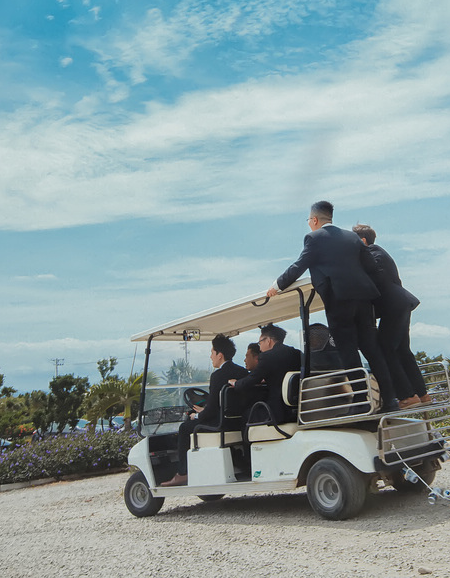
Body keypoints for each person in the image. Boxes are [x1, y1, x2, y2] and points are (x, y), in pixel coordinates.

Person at [267, 200, 398, 411]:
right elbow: (372, 268)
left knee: (348, 351)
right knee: (372, 349)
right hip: (364, 299)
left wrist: (277, 285)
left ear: (315, 220)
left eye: (309, 220)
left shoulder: (313, 238)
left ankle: (360, 401)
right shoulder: (351, 237)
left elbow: (300, 265)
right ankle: (391, 399)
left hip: (339, 300)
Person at [352, 224, 430, 408]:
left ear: (362, 241)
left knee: (385, 348)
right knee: (402, 350)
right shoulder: (378, 252)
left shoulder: (373, 253)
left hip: (393, 306)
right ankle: (422, 394)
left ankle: (407, 395)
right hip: (399, 305)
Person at [161, 334, 247, 487]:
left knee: (185, 428)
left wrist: (197, 415)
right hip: (237, 422)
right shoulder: (242, 372)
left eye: (212, 352)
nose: (210, 356)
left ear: (220, 355)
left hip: (221, 423)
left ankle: (183, 472)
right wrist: (204, 410)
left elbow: (212, 410)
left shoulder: (217, 376)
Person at [229, 324, 301, 423]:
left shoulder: (266, 356)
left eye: (260, 343)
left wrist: (236, 383)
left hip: (277, 412)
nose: (260, 348)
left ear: (268, 341)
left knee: (246, 415)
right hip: (297, 410)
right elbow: (280, 374)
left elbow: (253, 379)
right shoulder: (297, 353)